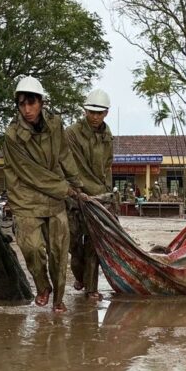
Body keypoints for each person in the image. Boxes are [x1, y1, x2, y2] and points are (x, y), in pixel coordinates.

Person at [3, 76, 84, 312]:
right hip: (26, 198)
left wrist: (77, 185)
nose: (27, 110)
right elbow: (30, 173)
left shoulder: (56, 125)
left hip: (54, 200)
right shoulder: (12, 136)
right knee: (32, 248)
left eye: (31, 103)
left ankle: (58, 299)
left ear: (41, 103)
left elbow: (64, 155)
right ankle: (42, 286)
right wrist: (65, 189)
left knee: (59, 250)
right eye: (21, 104)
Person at [65, 88, 115, 301]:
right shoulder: (71, 133)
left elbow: (107, 166)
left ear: (106, 113)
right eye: (91, 112)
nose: (95, 116)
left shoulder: (107, 135)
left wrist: (108, 195)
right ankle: (80, 277)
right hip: (75, 197)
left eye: (100, 112)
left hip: (99, 198)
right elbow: (68, 166)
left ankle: (91, 288)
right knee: (74, 246)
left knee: (94, 245)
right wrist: (77, 191)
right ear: (85, 110)